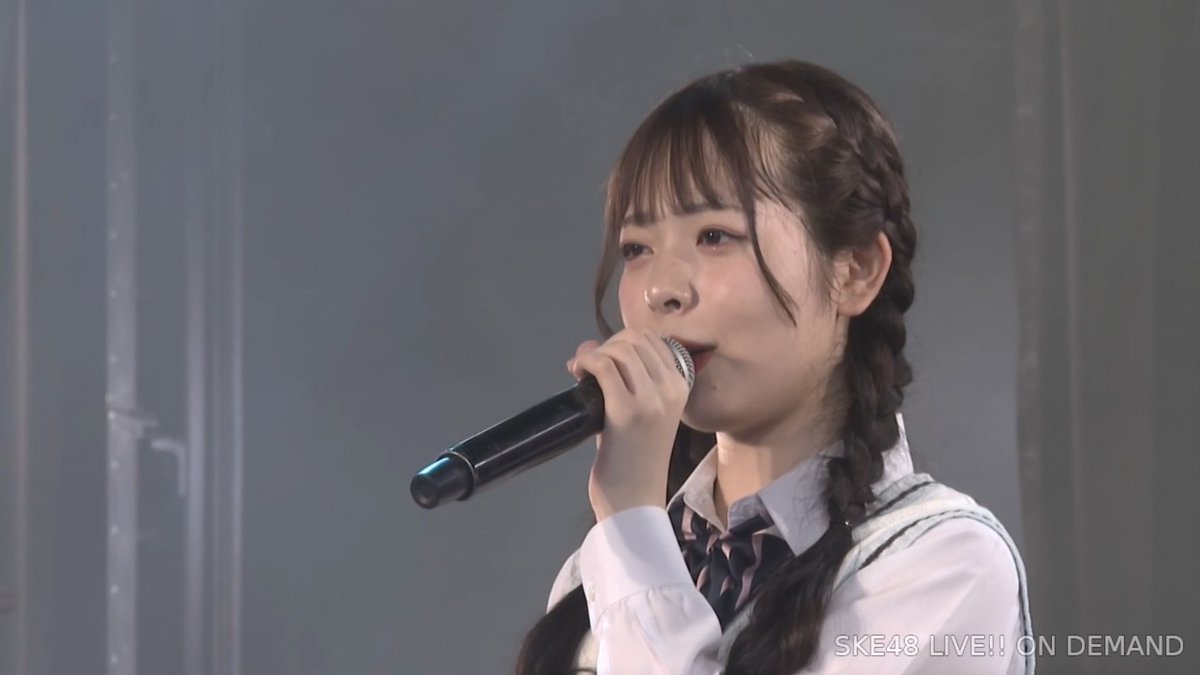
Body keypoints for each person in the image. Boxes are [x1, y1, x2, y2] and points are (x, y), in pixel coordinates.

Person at [514, 60, 1033, 675]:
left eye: (714, 236)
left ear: (856, 270)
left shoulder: (941, 563)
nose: (660, 291)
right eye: (637, 248)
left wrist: (630, 521)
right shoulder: (603, 569)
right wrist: (627, 532)